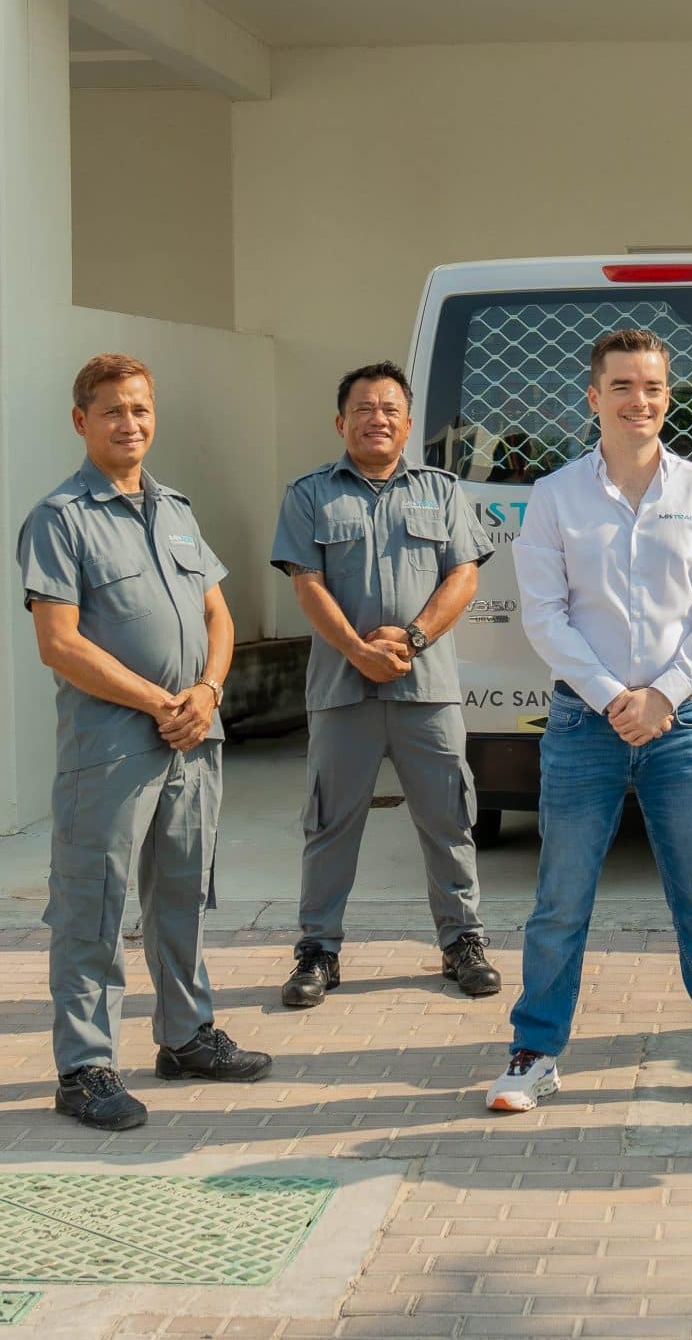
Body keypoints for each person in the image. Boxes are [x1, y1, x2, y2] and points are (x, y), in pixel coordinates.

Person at [486, 328, 692, 1113]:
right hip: (584, 725)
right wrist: (610, 696)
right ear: (593, 397)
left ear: (668, 397)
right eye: (622, 386)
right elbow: (545, 616)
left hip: (680, 723)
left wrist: (662, 695)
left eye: (653, 387)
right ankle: (534, 1051)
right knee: (561, 897)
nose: (639, 400)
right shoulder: (554, 497)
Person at [15, 354, 273, 1132]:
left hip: (194, 737)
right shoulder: (60, 518)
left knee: (184, 892)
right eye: (113, 411)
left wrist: (208, 692)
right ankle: (85, 1067)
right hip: (113, 744)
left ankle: (187, 1036)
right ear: (80, 421)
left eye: (140, 409)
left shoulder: (177, 509)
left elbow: (218, 616)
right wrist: (163, 699)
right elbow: (59, 643)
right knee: (93, 904)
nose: (131, 423)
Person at [270, 361, 501, 1007]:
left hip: (426, 689)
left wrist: (414, 637)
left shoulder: (442, 491)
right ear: (340, 422)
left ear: (406, 423)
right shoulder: (310, 494)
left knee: (449, 818)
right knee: (330, 824)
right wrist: (355, 649)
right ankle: (318, 950)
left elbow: (463, 577)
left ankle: (463, 942)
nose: (377, 418)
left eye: (390, 409)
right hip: (344, 691)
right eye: (364, 408)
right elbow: (305, 583)